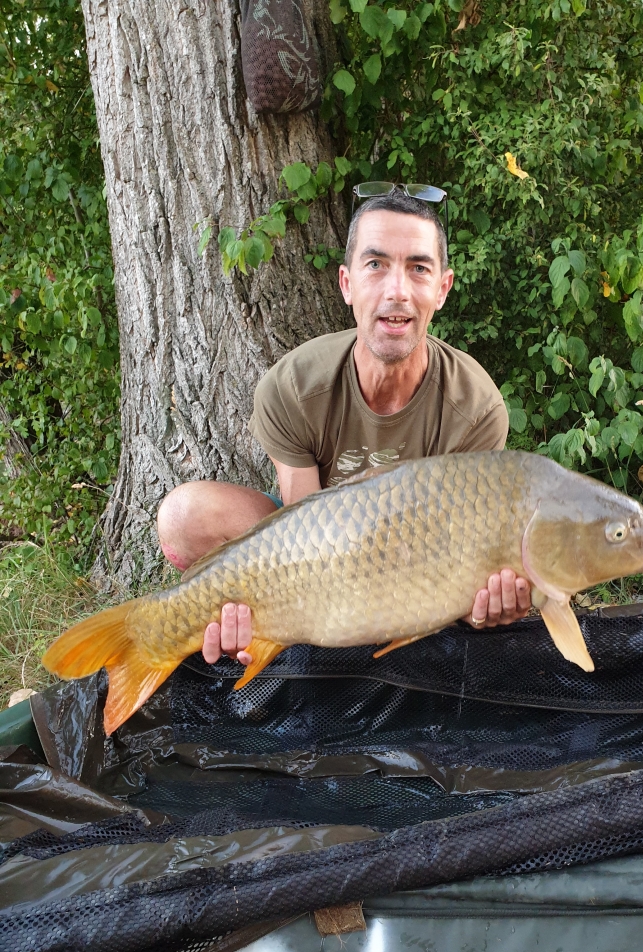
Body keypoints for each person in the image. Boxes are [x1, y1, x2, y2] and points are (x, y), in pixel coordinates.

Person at [157, 186, 532, 667]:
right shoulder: (293, 384)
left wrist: (483, 608)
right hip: (319, 554)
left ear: (442, 288)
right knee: (184, 516)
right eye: (375, 265)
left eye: (418, 268)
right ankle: (231, 623)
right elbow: (301, 531)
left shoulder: (476, 407)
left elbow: (467, 557)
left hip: (424, 567)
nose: (396, 290)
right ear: (347, 283)